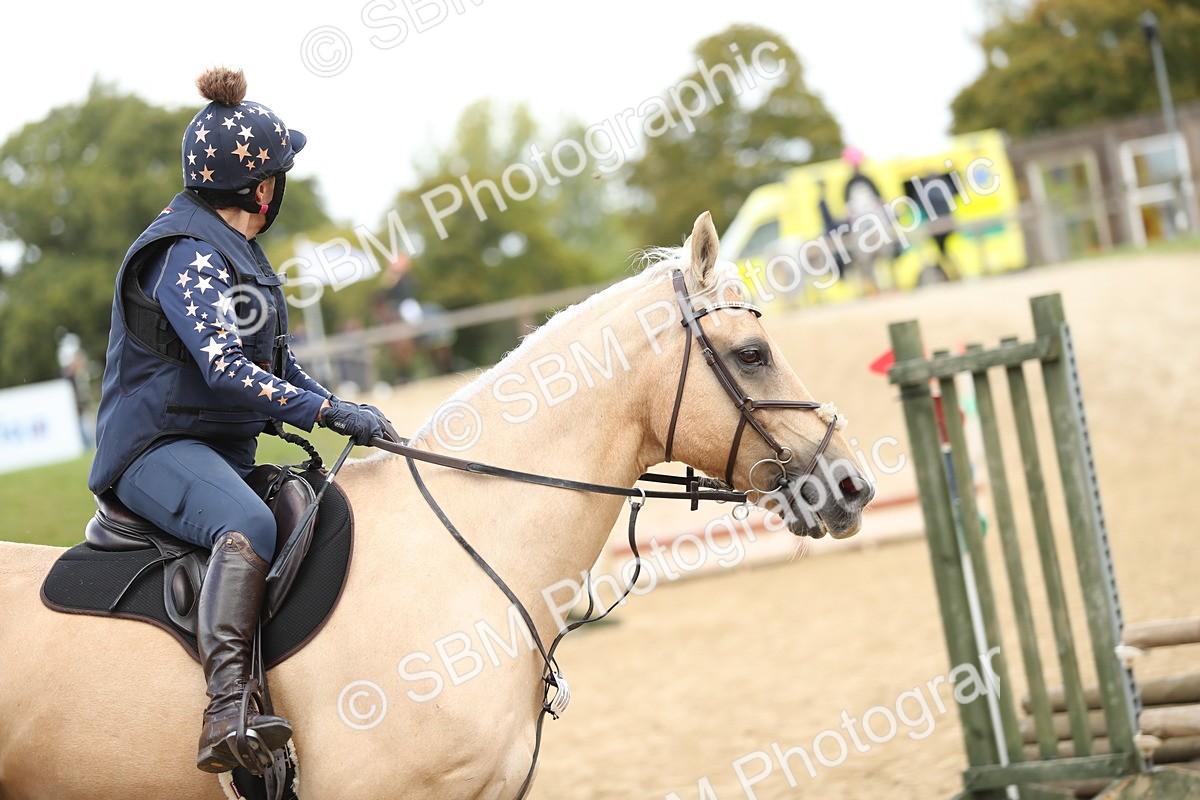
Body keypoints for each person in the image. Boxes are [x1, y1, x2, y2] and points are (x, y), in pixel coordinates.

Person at [87, 67, 389, 773]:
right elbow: (225, 368)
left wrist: (349, 413)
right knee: (248, 525)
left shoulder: (236, 252)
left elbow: (277, 367)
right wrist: (328, 410)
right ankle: (227, 711)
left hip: (216, 448)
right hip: (154, 451)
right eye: (279, 176)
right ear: (262, 189)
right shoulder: (186, 254)